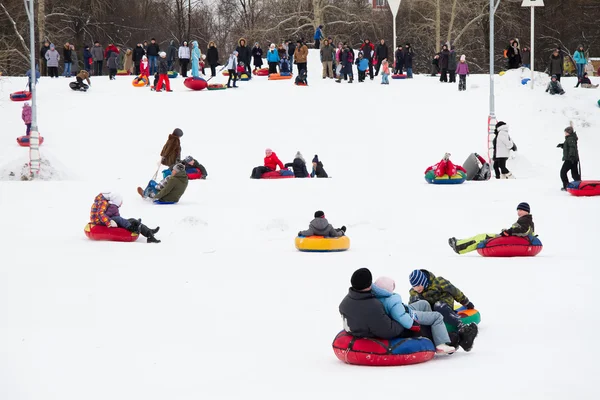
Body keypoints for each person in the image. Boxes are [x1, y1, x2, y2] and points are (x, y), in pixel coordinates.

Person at [372, 277, 457, 354]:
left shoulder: (376, 296)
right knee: (437, 316)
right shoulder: (391, 301)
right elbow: (400, 316)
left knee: (424, 304)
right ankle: (440, 344)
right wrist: (412, 324)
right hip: (408, 315)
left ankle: (433, 331)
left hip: (403, 308)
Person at [408, 269, 478, 352]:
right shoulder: (414, 292)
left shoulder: (439, 282)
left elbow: (455, 292)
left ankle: (462, 328)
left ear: (423, 281)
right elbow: (414, 307)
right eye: (414, 286)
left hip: (444, 305)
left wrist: (466, 302)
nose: (416, 288)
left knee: (438, 306)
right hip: (431, 311)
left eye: (418, 285)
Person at [339, 268, 415, 339]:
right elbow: (389, 331)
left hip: (358, 332)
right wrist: (401, 323)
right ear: (370, 284)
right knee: (412, 332)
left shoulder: (344, 303)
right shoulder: (374, 305)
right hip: (372, 338)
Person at [448, 202, 534, 255]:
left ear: (527, 211)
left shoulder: (526, 220)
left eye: (521, 210)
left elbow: (524, 230)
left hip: (517, 240)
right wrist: (507, 231)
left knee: (483, 237)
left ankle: (459, 246)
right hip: (513, 239)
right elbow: (519, 230)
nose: (518, 212)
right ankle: (461, 242)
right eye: (518, 210)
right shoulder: (524, 220)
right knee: (483, 236)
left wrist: (509, 231)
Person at [90, 192, 161, 243]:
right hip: (102, 221)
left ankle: (149, 231)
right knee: (120, 219)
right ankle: (134, 228)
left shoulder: (105, 203)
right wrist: (110, 222)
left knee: (131, 220)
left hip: (105, 220)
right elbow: (101, 214)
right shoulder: (105, 203)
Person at [557, 126, 581, 191]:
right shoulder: (570, 138)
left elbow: (572, 148)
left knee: (563, 172)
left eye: (566, 132)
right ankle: (580, 185)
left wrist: (571, 156)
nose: (565, 133)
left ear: (569, 132)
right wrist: (562, 145)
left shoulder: (570, 139)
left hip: (570, 159)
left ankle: (566, 186)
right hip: (573, 159)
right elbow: (569, 147)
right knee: (574, 174)